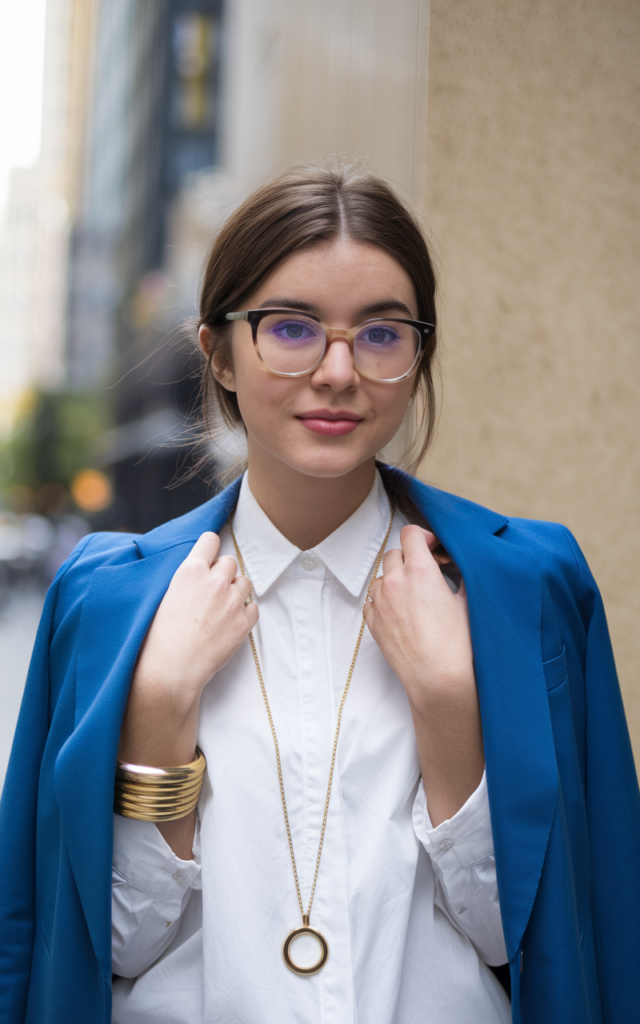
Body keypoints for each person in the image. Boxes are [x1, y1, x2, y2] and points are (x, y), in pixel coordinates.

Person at [1, 163, 639, 1024]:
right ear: (219, 352)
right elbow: (96, 945)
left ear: (419, 356)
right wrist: (159, 702)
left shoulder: (528, 586)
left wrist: (450, 700)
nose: (339, 373)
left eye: (382, 335)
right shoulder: (107, 604)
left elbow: (545, 939)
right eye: (292, 329)